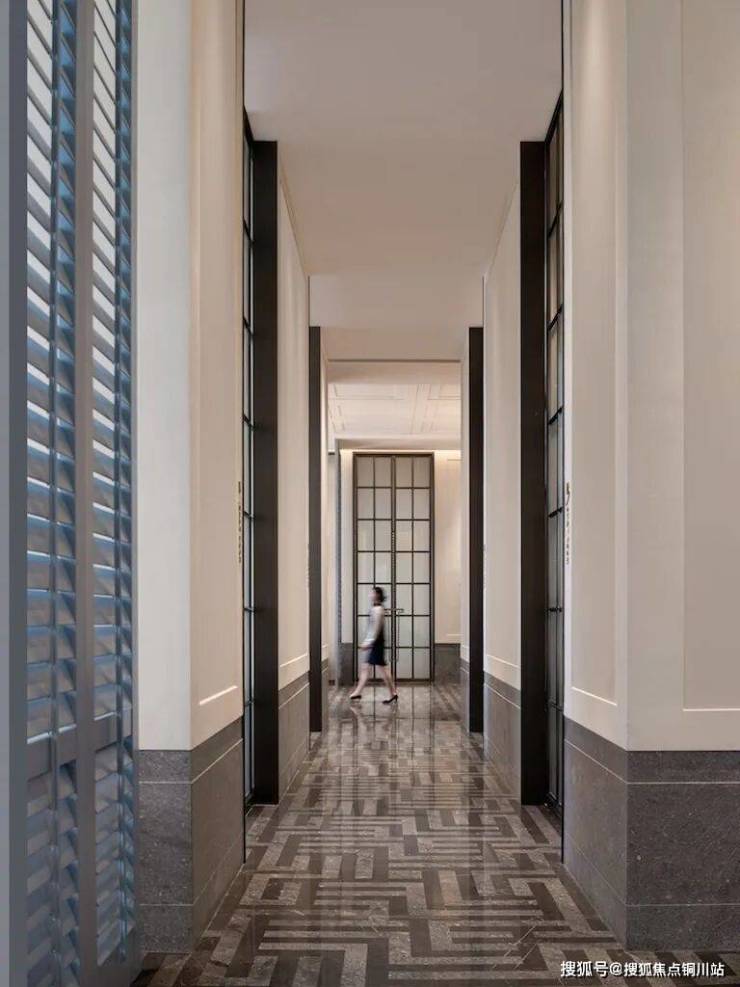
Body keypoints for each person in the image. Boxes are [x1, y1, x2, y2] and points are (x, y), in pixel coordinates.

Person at [349, 586, 398, 703]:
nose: (370, 595)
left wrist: (368, 643)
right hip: (376, 643)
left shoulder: (377, 610)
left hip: (376, 644)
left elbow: (375, 629)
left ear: (377, 595)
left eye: (372, 593)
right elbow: (373, 629)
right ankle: (358, 692)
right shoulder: (377, 608)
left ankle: (392, 693)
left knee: (380, 669)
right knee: (369, 668)